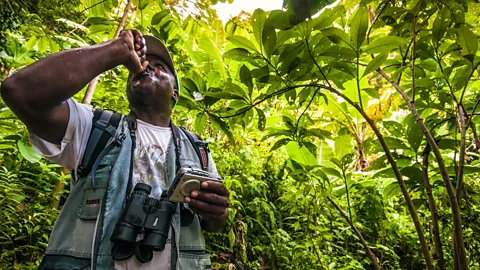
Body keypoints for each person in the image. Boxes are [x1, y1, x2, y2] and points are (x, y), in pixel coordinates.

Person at [1, 30, 230, 270]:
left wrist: (217, 211)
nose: (146, 67)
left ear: (175, 92)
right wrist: (114, 50)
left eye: (160, 65)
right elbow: (19, 91)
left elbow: (214, 223)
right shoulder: (94, 128)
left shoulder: (197, 148)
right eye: (141, 63)